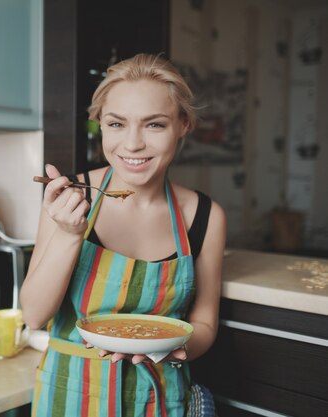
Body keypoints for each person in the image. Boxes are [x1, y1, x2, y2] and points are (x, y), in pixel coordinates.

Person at [21, 53, 226, 417]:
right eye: (117, 124)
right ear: (99, 124)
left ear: (183, 125)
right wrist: (70, 234)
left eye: (155, 125)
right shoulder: (71, 198)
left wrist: (174, 349)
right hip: (71, 397)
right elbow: (34, 315)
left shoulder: (205, 216)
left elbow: (205, 323)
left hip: (162, 399)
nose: (132, 144)